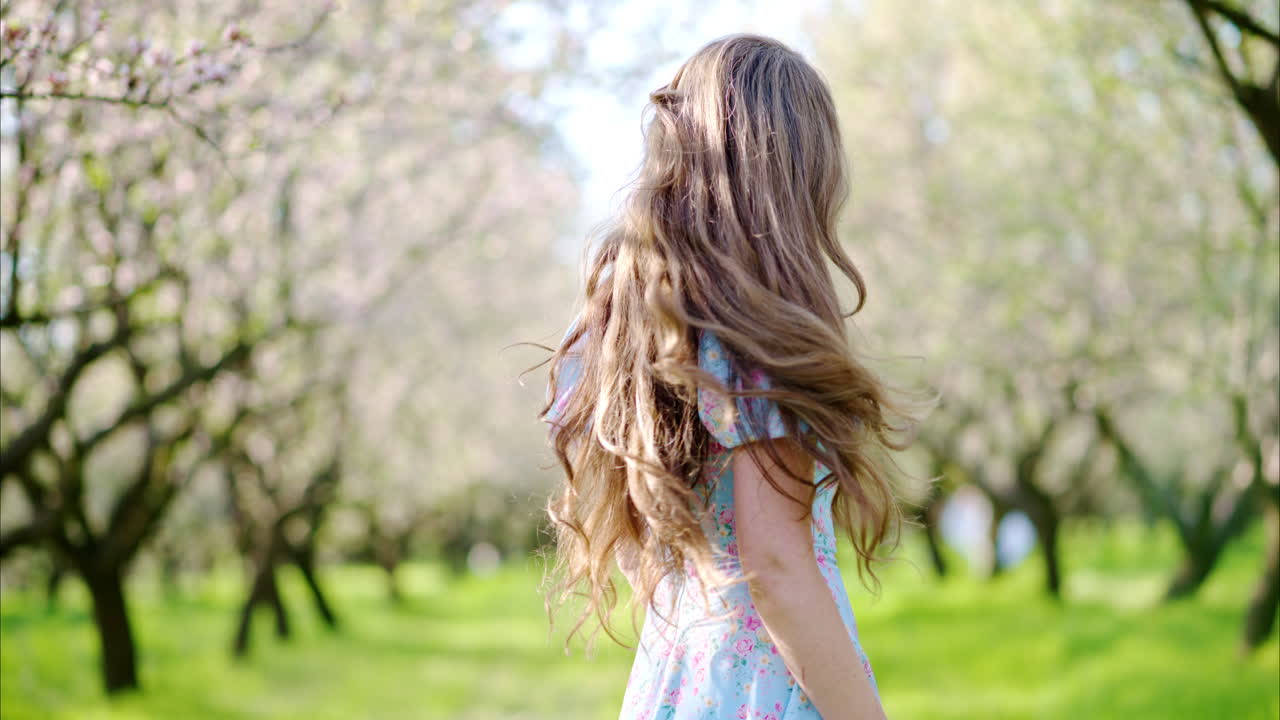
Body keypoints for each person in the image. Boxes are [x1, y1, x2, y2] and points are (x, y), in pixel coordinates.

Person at [540, 34, 926, 720]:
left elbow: (641, 554)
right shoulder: (759, 335)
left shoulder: (643, 325)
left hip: (676, 681)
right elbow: (775, 568)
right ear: (794, 175)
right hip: (766, 693)